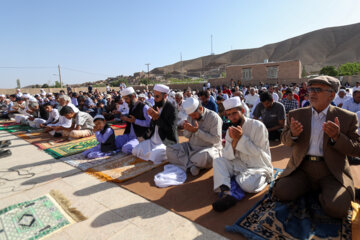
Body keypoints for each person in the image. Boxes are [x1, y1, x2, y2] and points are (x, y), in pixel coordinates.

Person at [273, 76, 360, 219]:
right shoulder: (297, 115)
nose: (312, 93)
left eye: (318, 89)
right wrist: (293, 135)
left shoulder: (347, 118)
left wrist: (338, 137)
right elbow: (285, 140)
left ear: (332, 94)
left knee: (339, 209)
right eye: (311, 89)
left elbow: (357, 149)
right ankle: (312, 188)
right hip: (302, 168)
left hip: (331, 171)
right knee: (281, 192)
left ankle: (323, 192)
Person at [212, 97, 273, 212]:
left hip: (258, 165)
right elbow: (227, 156)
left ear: (243, 111)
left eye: (234, 113)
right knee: (218, 161)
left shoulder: (258, 126)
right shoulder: (231, 130)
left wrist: (241, 138)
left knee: (247, 185)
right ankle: (226, 192)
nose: (231, 117)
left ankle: (235, 183)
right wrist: (235, 141)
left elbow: (258, 152)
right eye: (229, 115)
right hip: (240, 163)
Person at [166, 97, 222, 176]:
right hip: (190, 147)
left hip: (207, 149)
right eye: (191, 116)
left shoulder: (214, 117)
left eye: (194, 115)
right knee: (169, 149)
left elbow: (216, 140)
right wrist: (187, 129)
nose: (193, 118)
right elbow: (186, 136)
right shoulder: (190, 117)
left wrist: (197, 131)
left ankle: (188, 163)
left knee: (208, 157)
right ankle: (192, 165)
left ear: (200, 108)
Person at [132, 84, 178, 163]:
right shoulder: (154, 106)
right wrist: (153, 119)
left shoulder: (171, 109)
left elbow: (170, 130)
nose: (155, 99)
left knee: (154, 156)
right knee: (135, 151)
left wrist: (158, 118)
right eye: (154, 96)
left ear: (165, 96)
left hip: (165, 142)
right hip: (153, 141)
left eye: (157, 96)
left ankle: (167, 153)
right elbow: (151, 125)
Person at [115, 87, 151, 154]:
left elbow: (150, 123)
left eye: (126, 99)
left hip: (139, 137)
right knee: (115, 141)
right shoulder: (132, 106)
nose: (125, 101)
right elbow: (131, 120)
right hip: (129, 135)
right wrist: (126, 118)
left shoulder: (144, 107)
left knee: (126, 148)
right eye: (124, 99)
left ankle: (144, 148)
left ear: (133, 96)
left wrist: (135, 121)